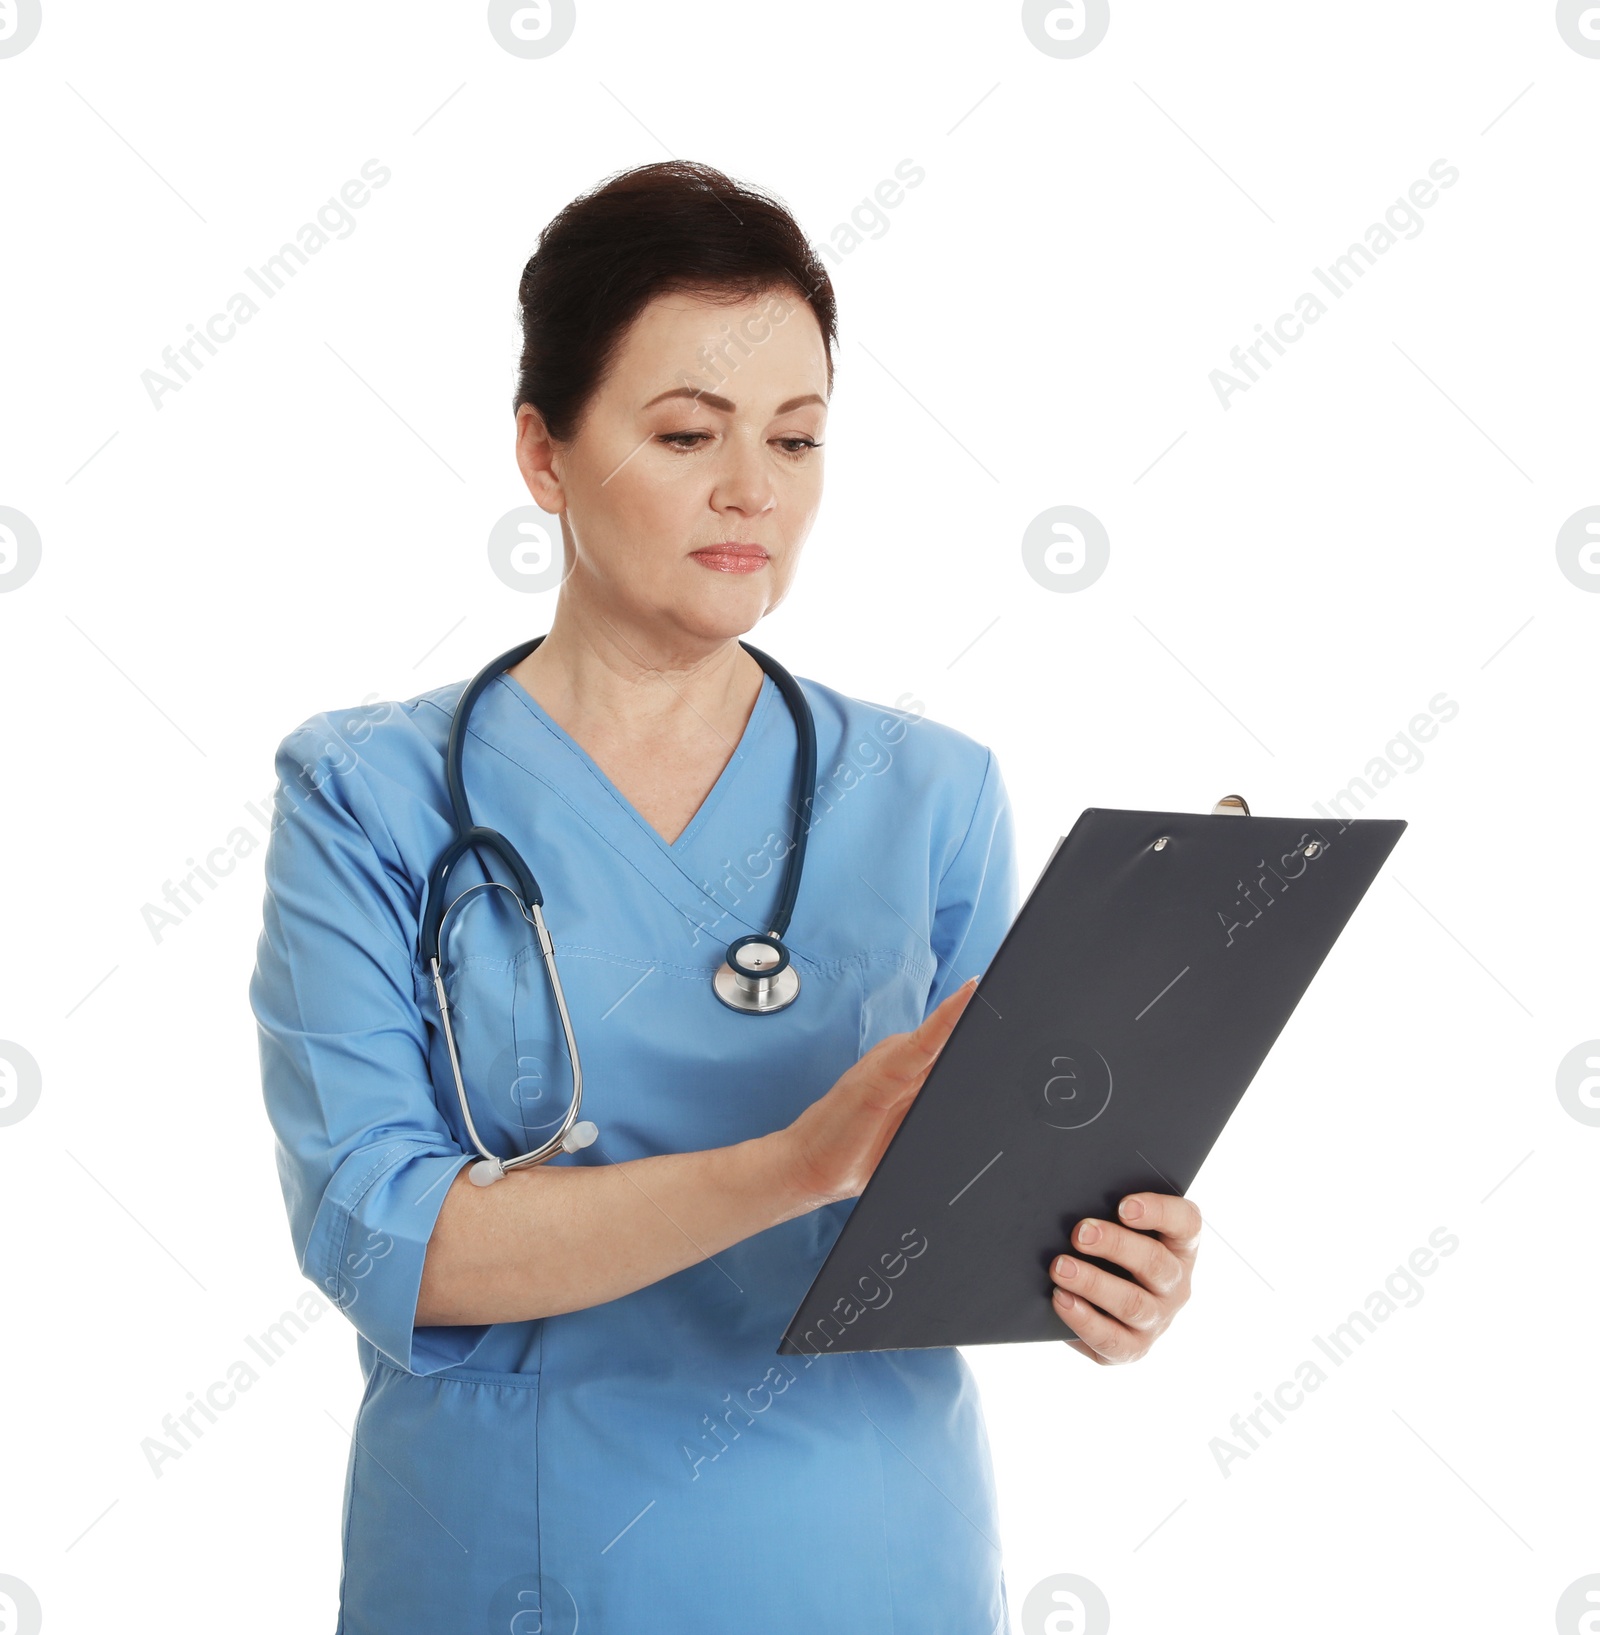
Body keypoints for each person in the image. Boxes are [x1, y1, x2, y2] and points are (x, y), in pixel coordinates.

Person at [249, 158, 1200, 1635]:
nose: (754, 489)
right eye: (688, 432)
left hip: (875, 1561)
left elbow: (972, 1205)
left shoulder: (932, 796)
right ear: (542, 453)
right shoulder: (369, 794)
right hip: (514, 1571)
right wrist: (799, 1160)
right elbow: (387, 1241)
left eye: (799, 438)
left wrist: (1098, 1275)